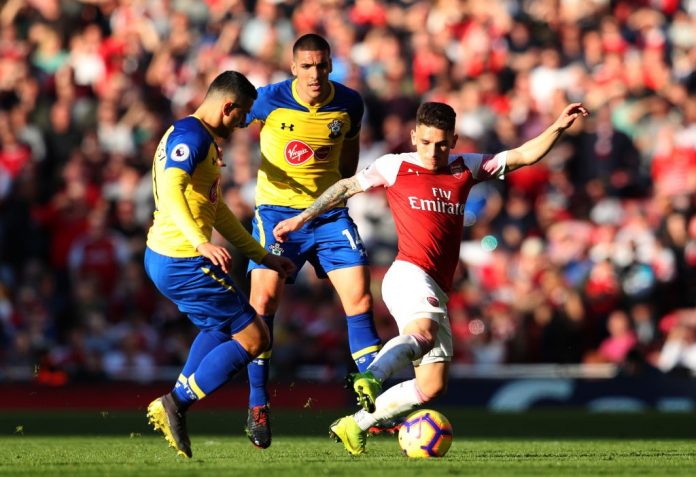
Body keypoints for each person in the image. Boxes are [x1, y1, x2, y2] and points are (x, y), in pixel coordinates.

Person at [273, 101, 589, 455]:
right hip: (408, 274)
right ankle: (372, 376)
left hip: (436, 284)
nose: (433, 151)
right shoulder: (394, 166)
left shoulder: (465, 167)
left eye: (441, 144)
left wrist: (558, 126)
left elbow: (523, 155)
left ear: (453, 140)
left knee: (431, 386)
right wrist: (301, 219)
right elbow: (345, 188)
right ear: (414, 137)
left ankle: (354, 424)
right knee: (420, 334)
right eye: (425, 142)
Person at [144, 70, 296, 459]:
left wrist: (263, 256)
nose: (244, 123)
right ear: (227, 106)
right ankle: (176, 402)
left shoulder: (196, 136)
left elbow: (217, 210)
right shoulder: (192, 136)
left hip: (165, 257)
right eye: (242, 115)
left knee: (219, 326)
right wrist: (200, 242)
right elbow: (173, 191)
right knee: (256, 338)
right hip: (183, 259)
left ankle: (175, 402)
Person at [242, 33, 382, 448]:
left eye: (321, 65)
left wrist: (334, 193)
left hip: (328, 215)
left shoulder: (350, 103)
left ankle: (373, 407)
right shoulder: (266, 99)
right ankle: (257, 404)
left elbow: (350, 157)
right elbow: (223, 118)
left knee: (360, 299)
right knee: (263, 303)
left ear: (331, 65)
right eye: (306, 66)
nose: (315, 74)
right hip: (276, 214)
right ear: (293, 67)